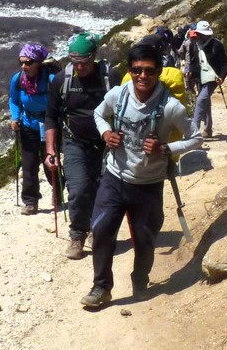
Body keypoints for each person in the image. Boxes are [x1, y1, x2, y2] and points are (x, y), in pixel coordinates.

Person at [80, 44, 202, 308]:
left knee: (145, 240)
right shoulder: (118, 95)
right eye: (137, 70)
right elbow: (99, 113)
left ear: (158, 71)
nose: (142, 76)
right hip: (114, 178)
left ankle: (140, 280)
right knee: (101, 231)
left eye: (149, 71)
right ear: (130, 70)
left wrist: (165, 149)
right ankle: (101, 287)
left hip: (148, 184)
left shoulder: (171, 107)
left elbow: (196, 138)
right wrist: (106, 134)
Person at [45, 32, 122, 260]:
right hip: (74, 142)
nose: (79, 67)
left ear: (94, 56)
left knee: (103, 191)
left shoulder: (110, 76)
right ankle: (77, 235)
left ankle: (99, 231)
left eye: (84, 61)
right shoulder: (62, 80)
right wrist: (50, 150)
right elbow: (51, 116)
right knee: (78, 190)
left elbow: (124, 110)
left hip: (106, 144)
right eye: (74, 61)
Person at [9, 43, 56, 215]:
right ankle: (30, 201)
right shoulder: (17, 79)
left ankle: (58, 190)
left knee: (50, 162)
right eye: (21, 62)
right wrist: (15, 117)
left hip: (48, 126)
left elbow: (60, 101)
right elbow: (14, 100)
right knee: (29, 165)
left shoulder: (51, 79)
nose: (24, 66)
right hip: (28, 125)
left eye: (28, 62)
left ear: (38, 63)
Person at [187, 20, 227, 138]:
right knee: (205, 102)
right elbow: (194, 61)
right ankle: (208, 129)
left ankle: (193, 132)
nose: (199, 36)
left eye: (201, 34)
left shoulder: (217, 45)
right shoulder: (194, 45)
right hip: (199, 77)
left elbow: (224, 63)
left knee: (201, 100)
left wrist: (222, 76)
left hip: (213, 77)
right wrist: (191, 72)